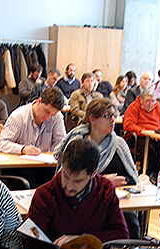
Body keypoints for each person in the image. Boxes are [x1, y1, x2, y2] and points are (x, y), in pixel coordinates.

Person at [25, 138, 129, 249]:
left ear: (93, 173)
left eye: (78, 181)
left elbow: (121, 235)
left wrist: (83, 238)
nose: (69, 186)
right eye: (66, 176)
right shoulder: (45, 195)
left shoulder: (105, 190)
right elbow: (30, 247)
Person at [54, 98, 142, 238]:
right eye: (107, 116)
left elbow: (133, 179)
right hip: (84, 200)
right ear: (92, 119)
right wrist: (103, 181)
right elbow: (65, 177)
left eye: (114, 115)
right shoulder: (78, 144)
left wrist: (117, 182)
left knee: (131, 224)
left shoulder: (119, 144)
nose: (113, 120)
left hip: (116, 200)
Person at [0, 87, 66, 155]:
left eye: (52, 114)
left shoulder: (57, 117)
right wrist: (23, 149)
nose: (48, 117)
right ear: (39, 101)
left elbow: (62, 145)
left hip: (46, 164)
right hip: (21, 164)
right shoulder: (19, 116)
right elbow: (1, 143)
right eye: (46, 111)